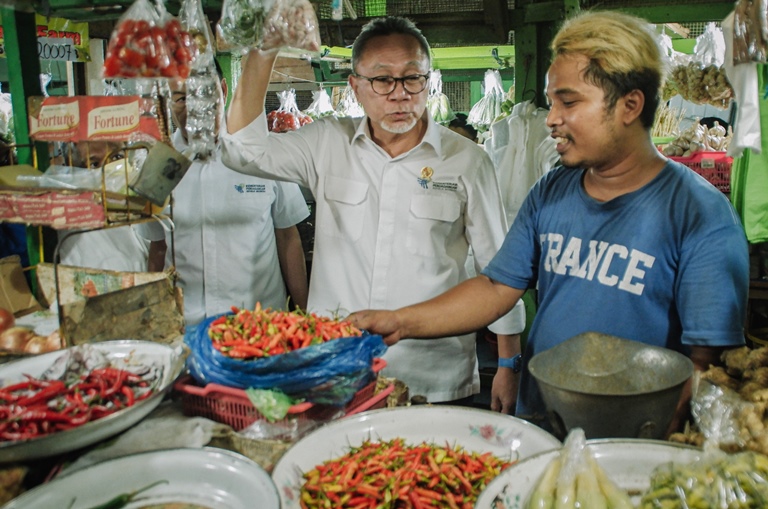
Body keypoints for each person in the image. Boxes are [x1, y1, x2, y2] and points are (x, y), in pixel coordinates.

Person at [349, 10, 749, 433]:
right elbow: (496, 288)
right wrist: (400, 321)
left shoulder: (698, 214)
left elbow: (708, 365)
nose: (551, 117)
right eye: (552, 100)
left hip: (635, 443)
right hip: (542, 423)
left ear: (630, 104)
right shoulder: (552, 191)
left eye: (569, 101)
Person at [221, 16, 525, 406]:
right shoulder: (327, 144)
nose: (399, 94)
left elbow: (496, 271)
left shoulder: (467, 160)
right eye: (382, 80)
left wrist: (508, 362)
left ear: (429, 82)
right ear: (356, 87)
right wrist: (264, 51)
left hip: (432, 376)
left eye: (413, 78)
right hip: (337, 370)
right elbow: (241, 151)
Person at [142, 61, 310, 327]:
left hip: (260, 326)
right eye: (181, 98)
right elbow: (157, 248)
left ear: (222, 89)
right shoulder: (157, 165)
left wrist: (305, 317)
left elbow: (288, 239)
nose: (194, 106)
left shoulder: (261, 153)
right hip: (186, 327)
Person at [57, 141, 151, 272]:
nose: (110, 168)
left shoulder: (144, 206)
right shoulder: (78, 229)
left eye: (117, 157)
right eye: (94, 164)